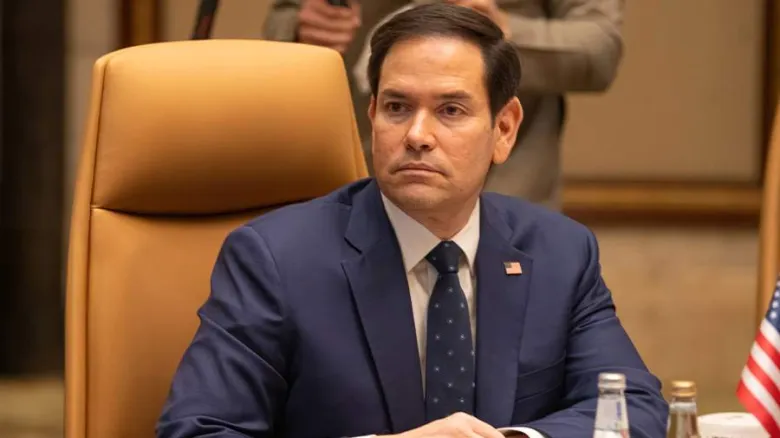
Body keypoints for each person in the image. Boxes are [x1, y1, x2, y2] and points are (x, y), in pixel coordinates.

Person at [157, 4, 665, 438]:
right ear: (372, 115)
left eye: (450, 110)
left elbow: (633, 407)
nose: (417, 135)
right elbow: (198, 429)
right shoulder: (276, 259)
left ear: (504, 129)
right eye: (397, 107)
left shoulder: (559, 252)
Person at [263, 0, 624, 210]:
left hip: (503, 189)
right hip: (347, 178)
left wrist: (503, 33)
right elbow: (284, 18)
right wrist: (300, 30)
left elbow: (599, 48)